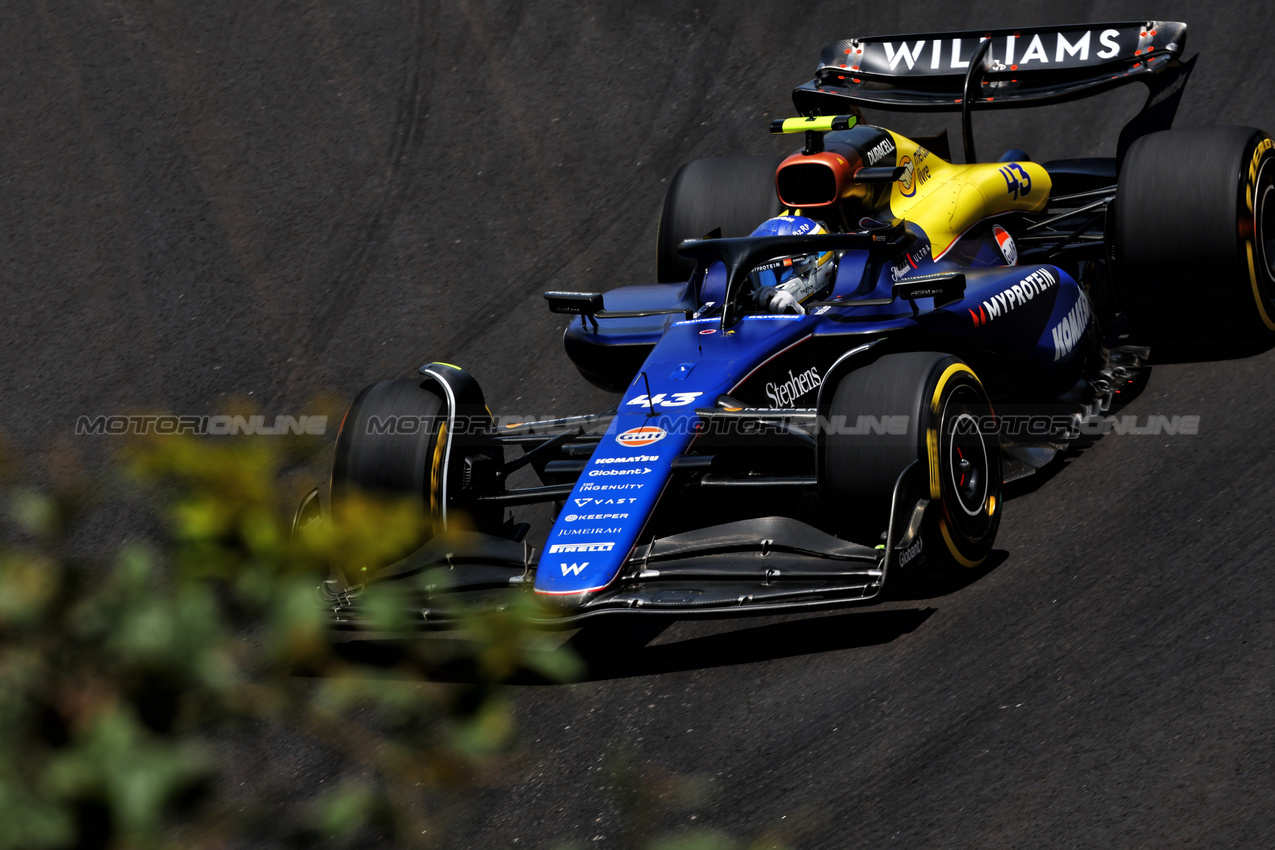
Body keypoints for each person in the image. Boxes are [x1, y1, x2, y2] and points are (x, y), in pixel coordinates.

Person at [747, 215, 837, 314]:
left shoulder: (843, 306)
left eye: (782, 272)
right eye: (763, 277)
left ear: (812, 262)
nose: (766, 291)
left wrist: (801, 315)